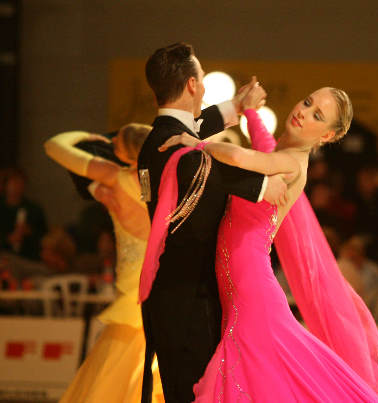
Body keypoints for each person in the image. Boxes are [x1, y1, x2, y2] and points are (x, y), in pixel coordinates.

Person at [158, 86, 378, 401]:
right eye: (308, 101)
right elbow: (259, 144)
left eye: (317, 115)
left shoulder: (292, 163)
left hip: (252, 288)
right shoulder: (278, 154)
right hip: (239, 283)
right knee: (260, 381)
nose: (303, 111)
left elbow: (238, 155)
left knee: (251, 379)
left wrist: (196, 143)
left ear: (326, 136)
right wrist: (248, 110)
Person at [137, 42, 287, 403]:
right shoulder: (175, 149)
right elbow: (201, 166)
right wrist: (262, 183)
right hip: (189, 300)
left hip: (173, 295)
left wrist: (239, 104)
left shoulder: (159, 139)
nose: (204, 86)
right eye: (202, 78)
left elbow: (195, 134)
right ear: (191, 85)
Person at [44, 123, 164, 402]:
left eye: (115, 145)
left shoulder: (113, 176)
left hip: (134, 285)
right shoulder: (163, 181)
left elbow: (54, 145)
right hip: (162, 278)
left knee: (121, 365)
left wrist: (85, 136)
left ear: (121, 153)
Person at [0, 168, 48, 261]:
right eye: (13, 182)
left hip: (29, 258)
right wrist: (8, 239)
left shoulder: (34, 209)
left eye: (20, 182)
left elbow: (44, 237)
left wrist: (29, 231)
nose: (17, 186)